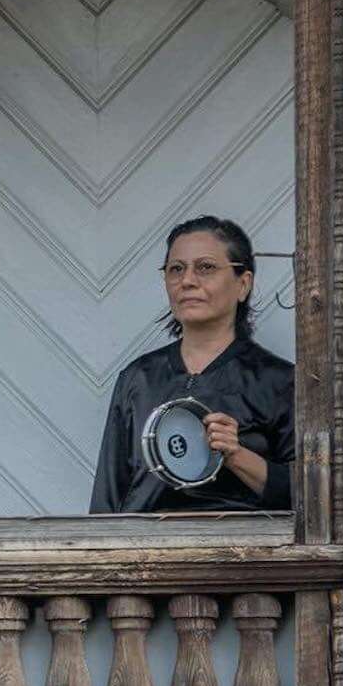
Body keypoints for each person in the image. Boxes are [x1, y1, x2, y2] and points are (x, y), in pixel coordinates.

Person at [90, 214, 295, 513]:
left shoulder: (279, 382)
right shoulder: (138, 378)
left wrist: (236, 455)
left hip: (243, 553)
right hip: (143, 551)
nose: (187, 281)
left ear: (243, 284)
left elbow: (311, 499)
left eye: (206, 268)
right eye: (176, 269)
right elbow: (107, 497)